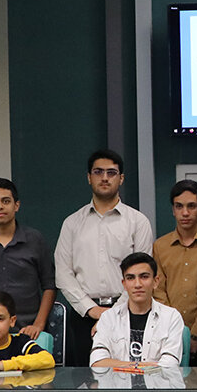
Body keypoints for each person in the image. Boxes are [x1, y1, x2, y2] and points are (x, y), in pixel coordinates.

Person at [54, 149, 154, 365]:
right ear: (89, 177)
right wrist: (91, 309)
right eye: (98, 172)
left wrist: (113, 313)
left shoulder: (138, 222)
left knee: (128, 374)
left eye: (111, 172)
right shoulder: (72, 223)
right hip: (83, 315)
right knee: (85, 377)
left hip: (128, 312)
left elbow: (143, 273)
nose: (105, 177)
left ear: (121, 178)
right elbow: (63, 273)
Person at [0, 178, 55, 342]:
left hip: (27, 330)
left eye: (5, 201)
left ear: (16, 205)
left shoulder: (35, 239)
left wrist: (38, 324)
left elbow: (49, 285)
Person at [153, 180, 197, 363]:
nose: (185, 213)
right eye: (179, 206)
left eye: (191, 206)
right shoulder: (160, 246)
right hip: (167, 339)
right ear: (173, 210)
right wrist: (173, 329)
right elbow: (158, 291)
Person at [90, 253, 184, 366]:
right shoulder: (108, 318)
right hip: (117, 379)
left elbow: (169, 365)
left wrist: (120, 365)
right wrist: (139, 367)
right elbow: (97, 362)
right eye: (130, 278)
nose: (137, 284)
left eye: (144, 277)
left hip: (157, 379)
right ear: (124, 284)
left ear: (156, 281)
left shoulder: (171, 317)